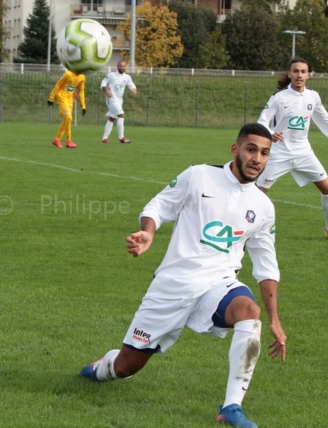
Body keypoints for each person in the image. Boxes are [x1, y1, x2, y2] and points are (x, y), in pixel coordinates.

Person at [80, 123, 286, 428]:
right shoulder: (199, 175)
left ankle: (231, 407)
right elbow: (159, 205)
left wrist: (274, 319)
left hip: (219, 282)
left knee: (248, 311)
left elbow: (266, 265)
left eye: (264, 153)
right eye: (251, 149)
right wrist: (148, 233)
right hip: (173, 284)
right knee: (126, 367)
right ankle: (103, 366)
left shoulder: (263, 207)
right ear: (236, 149)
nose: (257, 158)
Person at [256, 57, 328, 239]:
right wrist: (270, 132)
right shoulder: (279, 98)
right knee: (258, 193)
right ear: (289, 74)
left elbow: (324, 118)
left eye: (303, 71)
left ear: (308, 75)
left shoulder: (313, 96)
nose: (299, 75)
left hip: (304, 152)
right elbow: (262, 121)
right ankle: (246, 229)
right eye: (295, 71)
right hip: (279, 152)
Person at [100, 60, 137, 144]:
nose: (122, 68)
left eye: (123, 66)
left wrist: (133, 89)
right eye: (120, 66)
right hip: (111, 99)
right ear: (117, 66)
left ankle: (104, 138)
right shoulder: (111, 75)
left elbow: (131, 84)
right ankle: (121, 137)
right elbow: (103, 82)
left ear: (125, 67)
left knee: (112, 118)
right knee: (121, 115)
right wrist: (107, 91)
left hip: (119, 100)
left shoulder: (127, 77)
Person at [48, 70, 86, 148]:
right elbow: (58, 85)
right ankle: (68, 141)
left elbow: (81, 91)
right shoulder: (68, 74)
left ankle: (56, 140)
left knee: (67, 119)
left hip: (70, 100)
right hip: (62, 97)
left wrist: (83, 106)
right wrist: (51, 98)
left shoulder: (82, 77)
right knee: (69, 117)